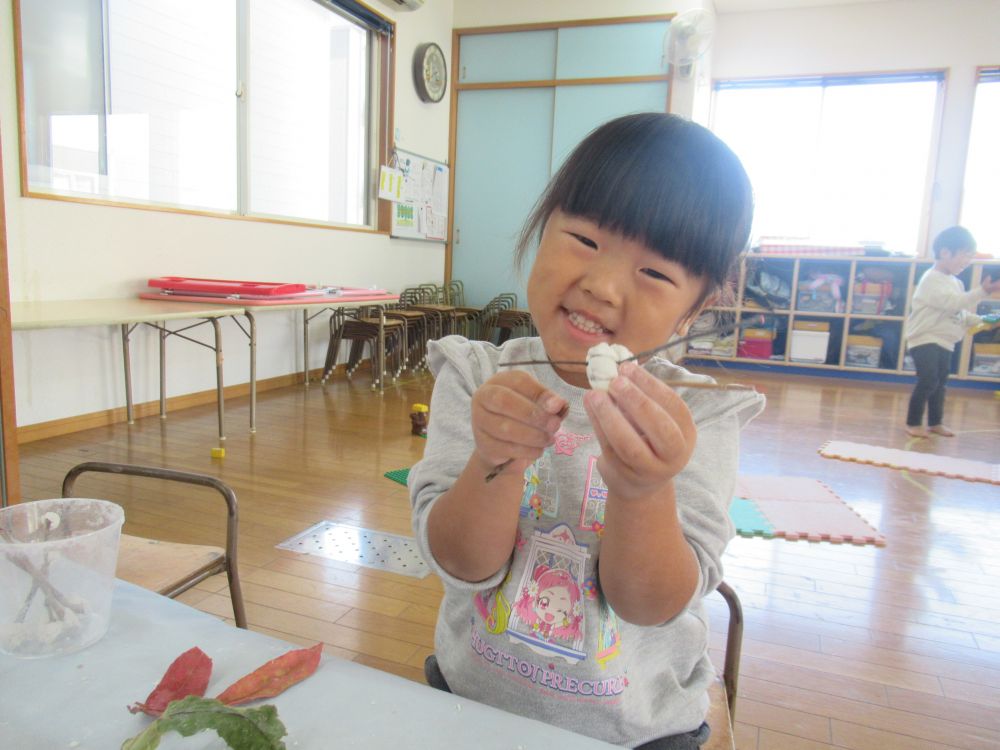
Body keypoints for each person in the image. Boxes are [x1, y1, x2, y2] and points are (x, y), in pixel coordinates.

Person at [408, 113, 765, 749]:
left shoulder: (699, 417)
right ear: (542, 228)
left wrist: (644, 490)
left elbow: (650, 604)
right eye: (583, 240)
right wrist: (496, 460)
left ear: (698, 307)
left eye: (655, 273)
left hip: (638, 731)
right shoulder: (476, 376)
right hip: (469, 703)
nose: (600, 286)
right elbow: (462, 564)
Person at [904, 226, 1000, 438]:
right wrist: (983, 291)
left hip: (945, 341)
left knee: (940, 382)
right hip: (924, 338)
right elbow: (951, 303)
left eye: (970, 257)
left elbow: (961, 313)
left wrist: (985, 321)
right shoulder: (931, 279)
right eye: (964, 256)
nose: (967, 262)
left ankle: (935, 422)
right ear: (945, 252)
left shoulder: (955, 282)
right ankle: (913, 423)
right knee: (929, 379)